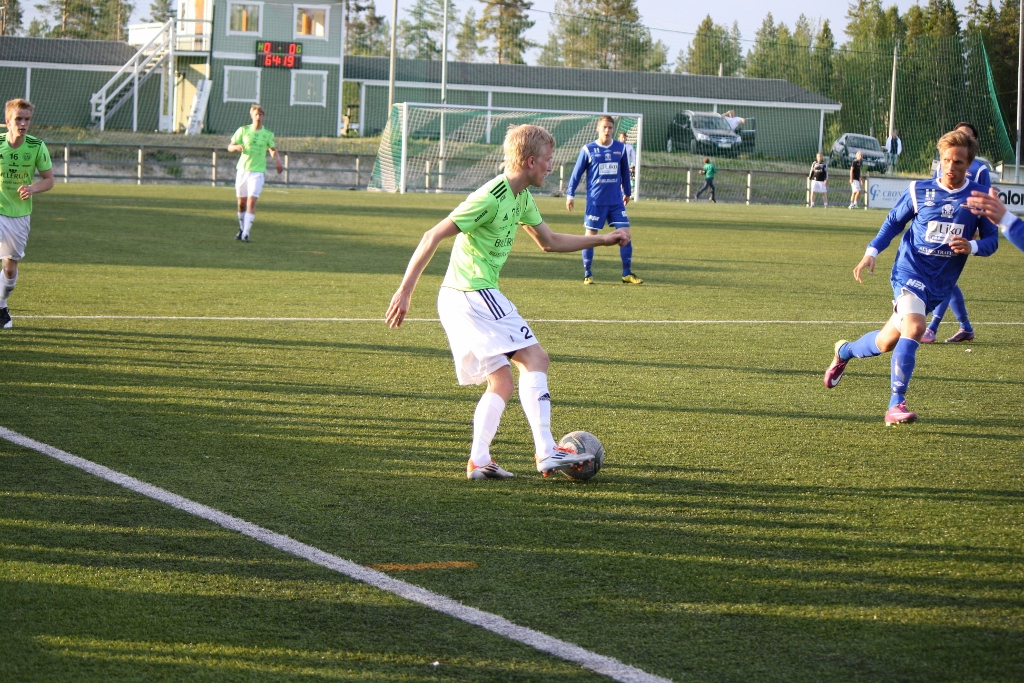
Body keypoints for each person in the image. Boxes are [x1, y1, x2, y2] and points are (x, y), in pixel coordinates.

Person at [385, 124, 631, 479]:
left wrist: (603, 241)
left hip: (459, 297)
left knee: (501, 380)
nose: (551, 166)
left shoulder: (522, 198)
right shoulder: (491, 196)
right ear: (530, 161)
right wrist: (405, 291)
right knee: (536, 358)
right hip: (472, 293)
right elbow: (432, 235)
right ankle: (546, 450)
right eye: (547, 160)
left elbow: (549, 241)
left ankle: (479, 460)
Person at [823, 129, 999, 425]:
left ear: (969, 165)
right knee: (916, 327)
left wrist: (972, 246)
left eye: (958, 162)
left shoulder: (979, 198)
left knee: (885, 342)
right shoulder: (920, 190)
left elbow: (992, 241)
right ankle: (896, 404)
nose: (950, 167)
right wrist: (871, 252)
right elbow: (894, 222)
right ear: (940, 160)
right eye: (946, 160)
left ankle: (845, 351)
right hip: (909, 271)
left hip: (939, 283)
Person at [922, 121, 990, 344]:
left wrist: (976, 231)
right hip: (939, 229)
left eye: (966, 136)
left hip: (962, 233)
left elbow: (986, 202)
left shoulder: (980, 169)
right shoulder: (944, 163)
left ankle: (932, 328)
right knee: (947, 280)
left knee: (946, 279)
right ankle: (965, 327)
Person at [565, 115, 642, 285]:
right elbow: (576, 174)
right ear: (598, 128)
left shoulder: (620, 148)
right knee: (590, 237)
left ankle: (626, 273)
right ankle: (587, 273)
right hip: (596, 202)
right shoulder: (588, 149)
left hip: (616, 202)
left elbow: (624, 172)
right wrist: (570, 195)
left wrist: (627, 192)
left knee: (626, 235)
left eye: (610, 127)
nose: (607, 130)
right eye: (604, 127)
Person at [0, 98, 54, 330]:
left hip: (19, 215)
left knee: (10, 267)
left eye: (27, 119)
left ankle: (1, 304)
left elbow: (49, 180)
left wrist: (32, 188)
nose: (23, 124)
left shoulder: (36, 146)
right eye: (18, 119)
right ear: (8, 121)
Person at [227, 104, 283, 242]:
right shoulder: (243, 130)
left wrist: (278, 161)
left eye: (260, 115)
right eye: (256, 114)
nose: (258, 117)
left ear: (263, 116)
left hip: (257, 171)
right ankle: (242, 228)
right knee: (241, 203)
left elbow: (272, 149)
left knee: (252, 200)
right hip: (243, 170)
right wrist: (235, 147)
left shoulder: (267, 133)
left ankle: (246, 233)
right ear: (252, 116)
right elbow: (230, 146)